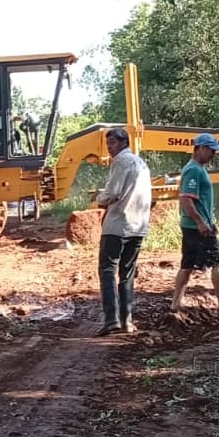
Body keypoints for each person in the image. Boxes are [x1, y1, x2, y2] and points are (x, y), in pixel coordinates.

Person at [91, 127, 152, 333]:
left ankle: (111, 319)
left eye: (113, 144)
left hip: (118, 225)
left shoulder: (120, 162)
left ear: (124, 143)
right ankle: (127, 320)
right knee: (127, 273)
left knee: (108, 270)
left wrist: (98, 199)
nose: (109, 148)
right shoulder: (142, 164)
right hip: (139, 226)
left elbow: (112, 193)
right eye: (108, 144)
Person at [171, 134, 219, 316]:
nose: (214, 154)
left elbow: (199, 202)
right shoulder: (194, 170)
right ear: (200, 148)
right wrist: (201, 223)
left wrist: (209, 222)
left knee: (187, 264)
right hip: (196, 227)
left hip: (195, 225)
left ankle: (176, 303)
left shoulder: (197, 169)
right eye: (211, 150)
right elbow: (186, 200)